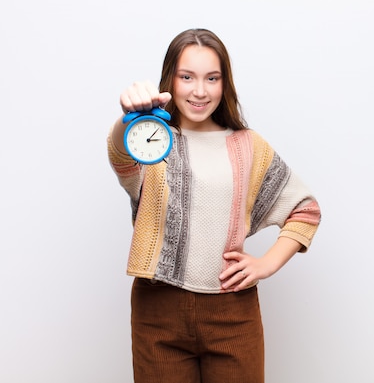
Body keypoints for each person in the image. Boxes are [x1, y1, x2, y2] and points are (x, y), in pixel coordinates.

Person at [107, 28, 321, 383]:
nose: (200, 90)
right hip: (157, 310)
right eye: (187, 77)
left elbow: (305, 210)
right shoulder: (150, 139)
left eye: (212, 78)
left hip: (232, 312)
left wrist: (266, 264)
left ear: (225, 84)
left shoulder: (248, 146)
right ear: (170, 80)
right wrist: (127, 117)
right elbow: (120, 155)